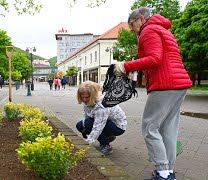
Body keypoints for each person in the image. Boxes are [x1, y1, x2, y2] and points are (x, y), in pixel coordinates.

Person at [114, 7, 192, 180]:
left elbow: (155, 59)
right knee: (168, 129)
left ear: (140, 19)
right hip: (179, 84)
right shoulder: (162, 29)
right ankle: (168, 171)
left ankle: (163, 173)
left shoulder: (148, 30)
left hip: (165, 84)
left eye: (132, 25)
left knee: (150, 127)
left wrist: (125, 66)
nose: (132, 29)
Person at [75, 81, 127, 155]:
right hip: (106, 122)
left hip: (118, 127)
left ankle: (106, 146)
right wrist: (84, 128)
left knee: (89, 124)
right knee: (81, 125)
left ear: (92, 95)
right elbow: (86, 115)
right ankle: (107, 137)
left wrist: (86, 145)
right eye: (82, 97)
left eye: (86, 97)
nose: (84, 100)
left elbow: (98, 127)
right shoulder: (89, 101)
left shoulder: (101, 106)